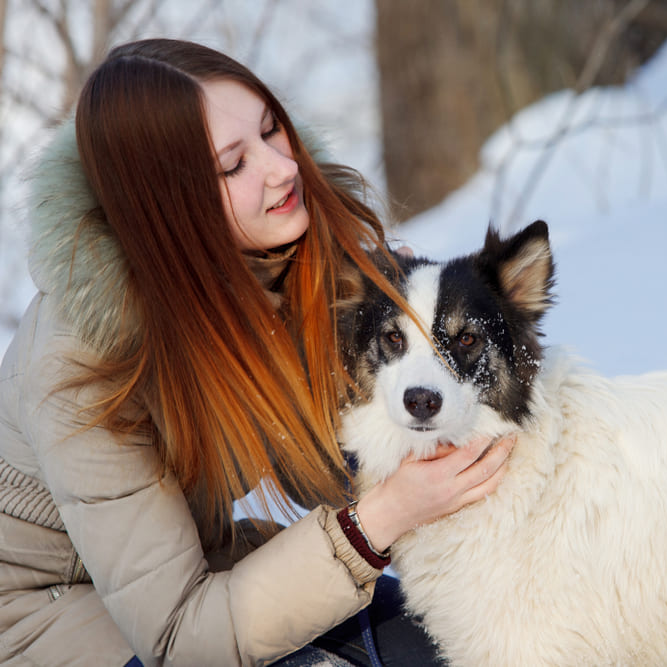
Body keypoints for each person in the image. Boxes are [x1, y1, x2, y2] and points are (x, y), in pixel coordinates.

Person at [0, 38, 513, 667]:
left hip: (199, 574)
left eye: (273, 130)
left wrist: (383, 362)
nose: (282, 168)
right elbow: (181, 639)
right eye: (232, 165)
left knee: (453, 646)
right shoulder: (82, 360)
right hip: (48, 617)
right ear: (168, 204)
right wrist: (378, 519)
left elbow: (319, 467)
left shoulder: (283, 252)